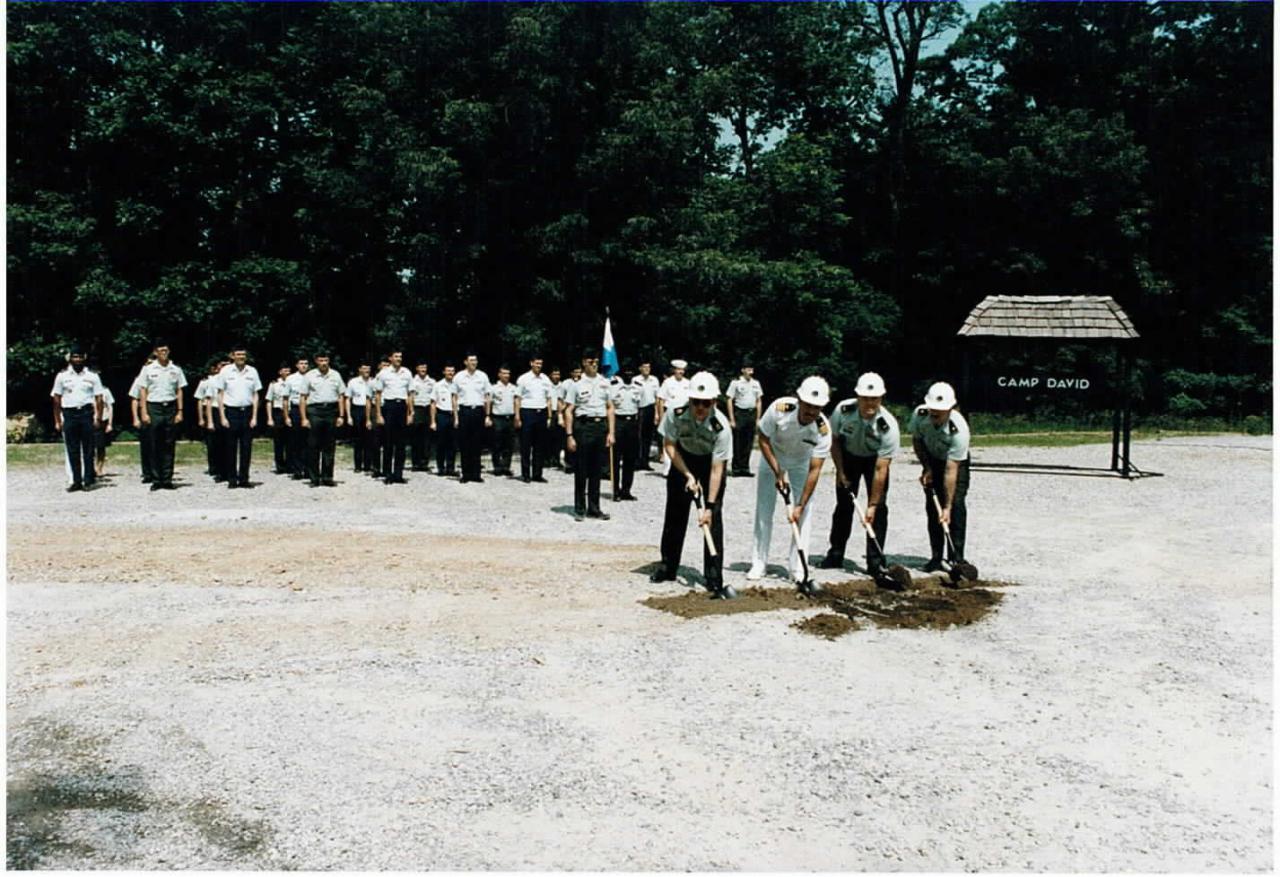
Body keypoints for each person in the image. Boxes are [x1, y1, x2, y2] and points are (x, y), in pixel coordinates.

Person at [650, 371, 734, 598]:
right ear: (689, 399)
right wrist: (687, 474)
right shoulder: (675, 412)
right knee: (675, 515)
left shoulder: (721, 426)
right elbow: (669, 445)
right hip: (682, 460)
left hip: (710, 464)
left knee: (712, 519)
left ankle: (714, 576)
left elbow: (717, 469)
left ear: (714, 402)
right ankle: (668, 566)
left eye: (706, 403)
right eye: (696, 402)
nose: (700, 408)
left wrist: (709, 506)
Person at [747, 376, 832, 591]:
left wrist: (800, 504)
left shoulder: (823, 430)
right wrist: (778, 471)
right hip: (772, 458)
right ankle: (759, 562)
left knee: (804, 513)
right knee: (764, 510)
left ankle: (797, 567)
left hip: (801, 464)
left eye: (817, 407)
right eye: (808, 405)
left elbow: (815, 469)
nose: (811, 411)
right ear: (799, 400)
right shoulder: (779, 408)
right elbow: (763, 438)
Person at [820, 373, 900, 580]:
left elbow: (881, 469)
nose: (870, 403)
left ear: (881, 398)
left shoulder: (888, 426)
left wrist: (872, 505)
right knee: (843, 505)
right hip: (848, 457)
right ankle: (836, 553)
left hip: (874, 461)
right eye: (865, 398)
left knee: (879, 510)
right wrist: (840, 471)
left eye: (874, 398)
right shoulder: (843, 410)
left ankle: (875, 562)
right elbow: (834, 441)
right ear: (858, 397)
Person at [909, 381, 971, 572]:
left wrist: (948, 507)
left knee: (956, 506)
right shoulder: (920, 416)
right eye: (932, 410)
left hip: (955, 464)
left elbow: (951, 471)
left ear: (950, 409)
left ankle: (956, 558)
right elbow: (917, 442)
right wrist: (926, 468)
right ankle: (936, 557)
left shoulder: (959, 430)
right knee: (933, 507)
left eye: (940, 411)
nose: (934, 414)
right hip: (932, 460)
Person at [562, 353, 615, 521]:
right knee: (581, 469)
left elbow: (610, 408)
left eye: (597, 362)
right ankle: (579, 508)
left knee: (597, 470)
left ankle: (594, 508)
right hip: (583, 427)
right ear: (584, 363)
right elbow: (568, 411)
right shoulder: (576, 385)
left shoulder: (604, 383)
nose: (594, 364)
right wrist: (569, 435)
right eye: (591, 362)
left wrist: (611, 432)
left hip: (600, 427)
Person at [50, 347, 104, 492]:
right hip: (69, 414)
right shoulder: (62, 376)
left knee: (88, 449)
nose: (77, 359)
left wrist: (98, 417)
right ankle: (76, 481)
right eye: (75, 357)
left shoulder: (92, 376)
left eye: (80, 357)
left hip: (86, 413)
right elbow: (56, 399)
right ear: (70, 358)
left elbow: (99, 398)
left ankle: (88, 480)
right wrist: (57, 420)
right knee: (72, 450)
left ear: (84, 357)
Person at [137, 341, 188, 491]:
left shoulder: (176, 369)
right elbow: (143, 391)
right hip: (154, 407)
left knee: (169, 444)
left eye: (166, 350)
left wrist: (180, 411)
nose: (164, 353)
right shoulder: (148, 369)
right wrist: (144, 412)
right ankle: (156, 479)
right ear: (155, 352)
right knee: (154, 444)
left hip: (170, 407)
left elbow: (179, 390)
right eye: (160, 350)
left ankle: (167, 479)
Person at [216, 346, 262, 489]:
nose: (241, 357)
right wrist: (222, 416)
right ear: (232, 356)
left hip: (247, 412)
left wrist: (254, 416)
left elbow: (256, 394)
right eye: (238, 354)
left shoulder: (252, 371)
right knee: (230, 447)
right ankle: (232, 479)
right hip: (231, 412)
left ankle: (244, 479)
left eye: (243, 354)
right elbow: (220, 394)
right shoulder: (225, 371)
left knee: (246, 447)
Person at [301, 352, 346, 488]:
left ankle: (327, 477)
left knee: (329, 445)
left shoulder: (335, 375)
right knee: (313, 445)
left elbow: (341, 396)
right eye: (321, 360)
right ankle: (314, 478)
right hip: (315, 411)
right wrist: (304, 418)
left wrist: (341, 415)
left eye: (326, 360)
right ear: (316, 361)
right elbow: (303, 397)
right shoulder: (310, 375)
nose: (324, 363)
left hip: (331, 411)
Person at [374, 350, 414, 484]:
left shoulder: (407, 373)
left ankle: (398, 474)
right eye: (396, 356)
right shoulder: (383, 373)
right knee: (388, 443)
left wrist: (411, 413)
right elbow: (378, 395)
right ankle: (388, 474)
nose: (399, 359)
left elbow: (410, 394)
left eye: (400, 357)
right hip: (389, 407)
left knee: (401, 444)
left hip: (402, 407)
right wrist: (379, 414)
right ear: (390, 358)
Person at [515, 356, 555, 483]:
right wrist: (517, 416)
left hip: (541, 413)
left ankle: (537, 474)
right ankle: (526, 474)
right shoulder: (523, 379)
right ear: (531, 363)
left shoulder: (545, 379)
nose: (539, 365)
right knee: (526, 445)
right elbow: (517, 399)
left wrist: (549, 417)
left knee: (540, 445)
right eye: (537, 363)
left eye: (540, 363)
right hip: (527, 412)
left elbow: (549, 399)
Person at [454, 354, 492, 483]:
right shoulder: (459, 377)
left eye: (475, 360)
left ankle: (476, 474)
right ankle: (465, 474)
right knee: (464, 444)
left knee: (477, 443)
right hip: (464, 411)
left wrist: (487, 415)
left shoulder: (482, 376)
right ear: (465, 362)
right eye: (471, 360)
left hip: (478, 411)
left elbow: (487, 397)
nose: (474, 362)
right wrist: (456, 417)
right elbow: (454, 398)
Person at [609, 366, 641, 500]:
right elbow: (610, 406)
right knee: (616, 458)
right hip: (619, 422)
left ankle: (626, 490)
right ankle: (615, 491)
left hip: (632, 423)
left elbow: (640, 406)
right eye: (626, 372)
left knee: (630, 458)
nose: (629, 374)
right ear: (621, 374)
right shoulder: (614, 387)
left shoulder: (638, 387)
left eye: (631, 372)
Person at [725, 364, 764, 476]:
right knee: (738, 442)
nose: (750, 371)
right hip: (740, 413)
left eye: (752, 369)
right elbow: (729, 399)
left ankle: (745, 468)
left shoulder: (756, 383)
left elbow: (759, 401)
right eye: (748, 369)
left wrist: (758, 418)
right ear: (743, 370)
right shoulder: (736, 383)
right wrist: (732, 419)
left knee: (748, 442)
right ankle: (736, 468)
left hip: (751, 413)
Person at [655, 359, 690, 467]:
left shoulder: (688, 383)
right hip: (670, 414)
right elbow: (661, 400)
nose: (681, 372)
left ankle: (681, 466)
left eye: (682, 370)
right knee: (668, 440)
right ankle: (667, 467)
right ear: (674, 370)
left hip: (684, 415)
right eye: (678, 369)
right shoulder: (668, 382)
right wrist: (661, 416)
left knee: (682, 441)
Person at [127, 357, 156, 484]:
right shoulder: (139, 380)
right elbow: (134, 399)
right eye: (148, 363)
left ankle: (158, 471)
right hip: (144, 411)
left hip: (158, 410)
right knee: (146, 444)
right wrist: (135, 418)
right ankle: (147, 473)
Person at [346, 363, 376, 474]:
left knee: (370, 438)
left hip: (371, 409)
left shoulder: (374, 382)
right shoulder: (353, 382)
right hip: (357, 410)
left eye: (368, 368)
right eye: (364, 368)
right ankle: (358, 465)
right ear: (359, 369)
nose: (366, 370)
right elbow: (347, 399)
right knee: (358, 439)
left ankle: (368, 465)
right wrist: (349, 416)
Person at [194, 362, 222, 480]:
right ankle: (213, 467)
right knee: (211, 441)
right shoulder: (206, 382)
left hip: (223, 409)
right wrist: (201, 417)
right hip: (209, 409)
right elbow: (200, 400)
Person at [430, 364, 458, 477]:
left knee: (453, 443)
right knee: (441, 443)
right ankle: (441, 468)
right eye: (448, 371)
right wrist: (433, 421)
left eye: (452, 371)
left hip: (454, 415)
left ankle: (450, 468)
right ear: (444, 372)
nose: (451, 373)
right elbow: (433, 403)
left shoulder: (457, 384)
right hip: (442, 415)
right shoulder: (438, 385)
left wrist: (457, 418)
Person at [285, 358, 311, 480]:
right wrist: (286, 416)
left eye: (306, 363)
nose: (304, 366)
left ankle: (308, 469)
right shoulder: (290, 379)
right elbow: (285, 399)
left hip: (310, 410)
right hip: (295, 409)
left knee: (309, 441)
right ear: (296, 365)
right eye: (301, 363)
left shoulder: (312, 376)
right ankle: (297, 470)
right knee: (296, 441)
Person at [632, 360, 660, 470]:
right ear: (640, 368)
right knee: (639, 436)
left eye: (649, 367)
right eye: (645, 367)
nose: (647, 369)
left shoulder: (654, 380)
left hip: (650, 408)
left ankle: (645, 461)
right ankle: (637, 461)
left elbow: (657, 398)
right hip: (640, 409)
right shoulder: (636, 380)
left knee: (648, 437)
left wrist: (657, 413)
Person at [489, 366, 516, 476]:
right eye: (504, 373)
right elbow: (489, 403)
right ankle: (497, 467)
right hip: (498, 418)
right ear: (499, 375)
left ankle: (506, 466)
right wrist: (488, 416)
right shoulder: (493, 388)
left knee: (509, 444)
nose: (506, 376)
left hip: (510, 418)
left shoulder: (513, 388)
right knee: (497, 444)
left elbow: (516, 403)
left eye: (508, 373)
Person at [265, 364, 292, 474]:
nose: (287, 372)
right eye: (285, 370)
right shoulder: (274, 384)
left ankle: (291, 465)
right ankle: (280, 466)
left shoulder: (293, 382)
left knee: (291, 440)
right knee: (279, 440)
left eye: (289, 370)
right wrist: (270, 418)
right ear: (280, 372)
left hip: (291, 411)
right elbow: (269, 401)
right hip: (278, 412)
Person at [410, 362, 435, 472]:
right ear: (417, 368)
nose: (423, 369)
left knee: (427, 437)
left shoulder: (432, 382)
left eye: (425, 367)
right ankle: (416, 463)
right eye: (421, 367)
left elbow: (434, 397)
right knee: (416, 437)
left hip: (428, 409)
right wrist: (411, 412)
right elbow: (410, 397)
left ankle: (424, 462)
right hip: (417, 408)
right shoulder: (412, 381)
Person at [559, 366, 583, 474]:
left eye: (579, 372)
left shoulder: (584, 383)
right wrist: (560, 416)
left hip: (580, 413)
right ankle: (569, 464)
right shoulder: (566, 384)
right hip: (568, 411)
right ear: (571, 373)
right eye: (576, 372)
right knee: (569, 438)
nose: (578, 374)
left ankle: (579, 463)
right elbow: (560, 400)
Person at [93, 373, 115, 480]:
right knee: (90, 447)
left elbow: (110, 407)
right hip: (89, 420)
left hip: (103, 420)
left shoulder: (105, 391)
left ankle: (99, 468)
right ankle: (91, 468)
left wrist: (110, 423)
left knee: (101, 446)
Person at [544, 367, 564, 469]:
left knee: (558, 438)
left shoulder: (562, 385)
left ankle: (556, 459)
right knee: (547, 437)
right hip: (549, 412)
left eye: (558, 374)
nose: (556, 376)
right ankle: (547, 459)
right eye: (554, 374)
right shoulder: (547, 385)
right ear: (550, 375)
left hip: (559, 413)